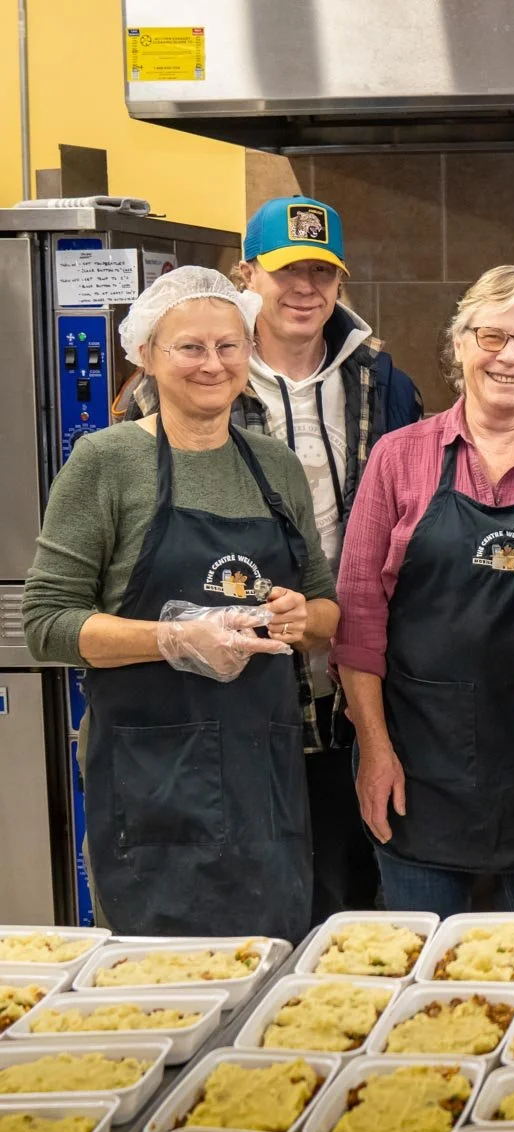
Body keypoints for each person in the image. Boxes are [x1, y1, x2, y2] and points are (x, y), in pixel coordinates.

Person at [121, 195, 422, 919]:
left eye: (322, 271)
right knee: (231, 898)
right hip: (215, 695)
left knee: (340, 893)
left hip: (344, 682)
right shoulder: (182, 384)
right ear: (246, 275)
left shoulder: (382, 384)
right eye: (287, 270)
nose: (305, 289)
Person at [24, 267, 335, 937]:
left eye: (228, 346)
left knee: (266, 981)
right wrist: (171, 641)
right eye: (189, 347)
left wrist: (303, 619)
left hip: (264, 782)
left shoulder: (274, 464)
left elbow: (325, 607)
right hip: (149, 785)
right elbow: (46, 624)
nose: (212, 364)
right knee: (154, 993)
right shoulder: (105, 464)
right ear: (146, 356)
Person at [333, 266, 514, 920]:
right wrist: (375, 752)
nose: (509, 357)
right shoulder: (398, 457)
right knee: (418, 976)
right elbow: (357, 623)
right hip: (419, 770)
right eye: (491, 336)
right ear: (460, 344)